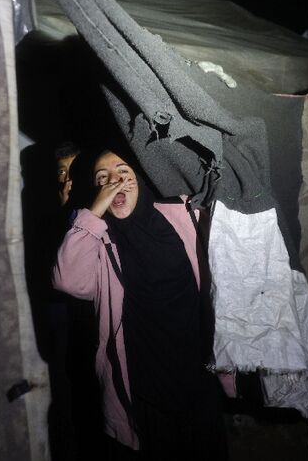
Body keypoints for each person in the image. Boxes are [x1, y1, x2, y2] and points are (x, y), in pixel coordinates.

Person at [53, 149, 229, 460]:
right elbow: (68, 280)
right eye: (102, 179)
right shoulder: (101, 243)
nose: (114, 183)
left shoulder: (182, 215)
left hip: (200, 381)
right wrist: (93, 214)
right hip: (146, 394)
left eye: (123, 173)